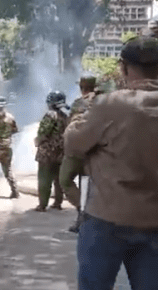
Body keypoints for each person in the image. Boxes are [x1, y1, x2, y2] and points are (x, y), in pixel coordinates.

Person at [65, 36, 158, 289]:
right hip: (155, 219)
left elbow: (73, 144)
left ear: (123, 67)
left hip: (105, 218)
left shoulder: (110, 105)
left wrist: (78, 121)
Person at [59, 76, 97, 231]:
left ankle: (84, 212)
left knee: (65, 180)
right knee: (86, 183)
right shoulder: (103, 102)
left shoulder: (78, 103)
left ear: (82, 87)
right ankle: (83, 220)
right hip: (95, 149)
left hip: (76, 148)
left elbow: (70, 125)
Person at [34, 91, 68, 212]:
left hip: (47, 153)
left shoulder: (50, 115)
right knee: (58, 179)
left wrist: (37, 141)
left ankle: (42, 205)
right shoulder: (65, 116)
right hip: (61, 153)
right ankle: (58, 203)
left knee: (44, 178)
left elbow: (43, 133)